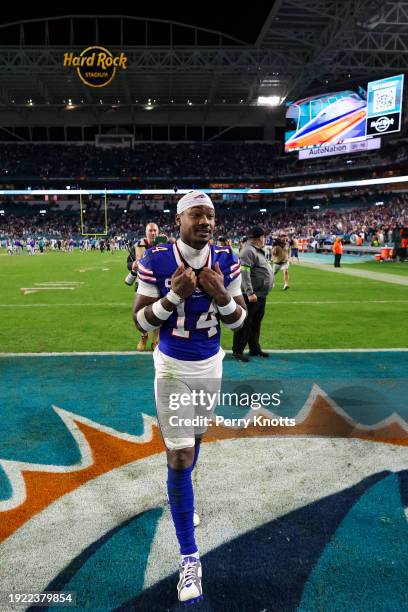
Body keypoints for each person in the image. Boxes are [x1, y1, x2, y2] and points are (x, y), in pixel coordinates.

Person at [132, 190, 246, 605]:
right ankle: (189, 557)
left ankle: (181, 496)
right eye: (197, 214)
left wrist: (221, 295)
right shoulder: (157, 259)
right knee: (180, 455)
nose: (206, 221)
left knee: (194, 443)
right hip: (173, 367)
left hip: (211, 365)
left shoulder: (227, 259)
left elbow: (239, 321)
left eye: (210, 215)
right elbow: (140, 319)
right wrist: (174, 296)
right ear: (179, 220)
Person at [232, 225, 273, 362]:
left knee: (256, 323)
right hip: (251, 295)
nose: (264, 239)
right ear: (258, 238)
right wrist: (249, 292)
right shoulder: (248, 251)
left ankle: (254, 348)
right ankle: (238, 351)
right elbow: (244, 272)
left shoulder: (255, 250)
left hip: (260, 294)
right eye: (263, 237)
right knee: (245, 323)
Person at [126, 223, 160, 351]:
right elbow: (128, 263)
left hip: (159, 283)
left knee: (157, 312)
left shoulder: (164, 245)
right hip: (142, 284)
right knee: (141, 312)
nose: (153, 233)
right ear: (146, 232)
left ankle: (155, 340)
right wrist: (132, 265)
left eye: (155, 230)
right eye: (150, 230)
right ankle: (143, 336)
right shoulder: (137, 245)